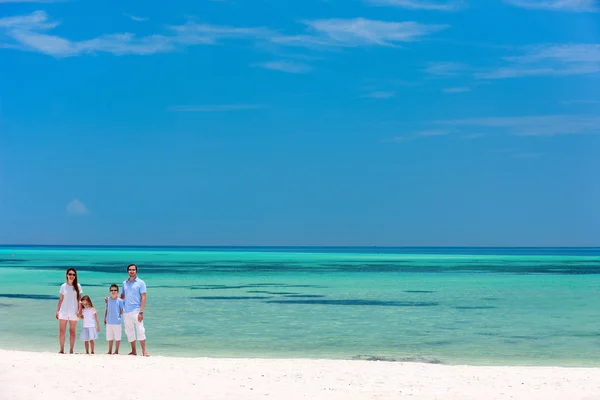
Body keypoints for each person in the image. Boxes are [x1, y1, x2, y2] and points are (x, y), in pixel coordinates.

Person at [122, 264, 149, 357]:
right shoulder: (124, 283)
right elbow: (122, 297)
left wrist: (141, 312)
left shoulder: (141, 283)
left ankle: (144, 351)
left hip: (136, 310)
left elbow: (144, 298)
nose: (131, 271)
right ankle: (133, 351)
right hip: (126, 311)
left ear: (136, 271)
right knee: (129, 331)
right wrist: (111, 299)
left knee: (140, 330)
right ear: (127, 271)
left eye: (133, 270)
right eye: (130, 269)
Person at [55, 268, 82, 354]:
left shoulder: (78, 286)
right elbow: (60, 299)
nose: (72, 276)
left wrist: (79, 310)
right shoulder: (63, 286)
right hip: (63, 311)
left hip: (74, 312)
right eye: (70, 274)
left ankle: (71, 350)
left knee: (72, 332)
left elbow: (79, 300)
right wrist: (57, 311)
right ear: (67, 275)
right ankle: (62, 350)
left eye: (73, 274)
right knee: (62, 331)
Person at [104, 284, 124, 355]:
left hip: (117, 322)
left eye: (115, 290)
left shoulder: (120, 300)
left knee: (117, 337)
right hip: (109, 321)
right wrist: (105, 318)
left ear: (117, 291)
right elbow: (107, 309)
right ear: (110, 291)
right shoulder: (108, 300)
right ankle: (109, 351)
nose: (113, 291)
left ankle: (116, 351)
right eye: (112, 290)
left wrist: (119, 315)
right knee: (110, 337)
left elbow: (122, 310)